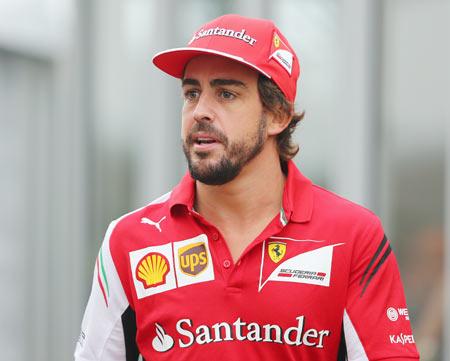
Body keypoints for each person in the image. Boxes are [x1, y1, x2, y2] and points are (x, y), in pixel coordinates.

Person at [74, 14, 420, 361]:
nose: (200, 111)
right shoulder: (128, 239)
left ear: (277, 116)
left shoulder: (353, 235)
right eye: (191, 93)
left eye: (226, 94)